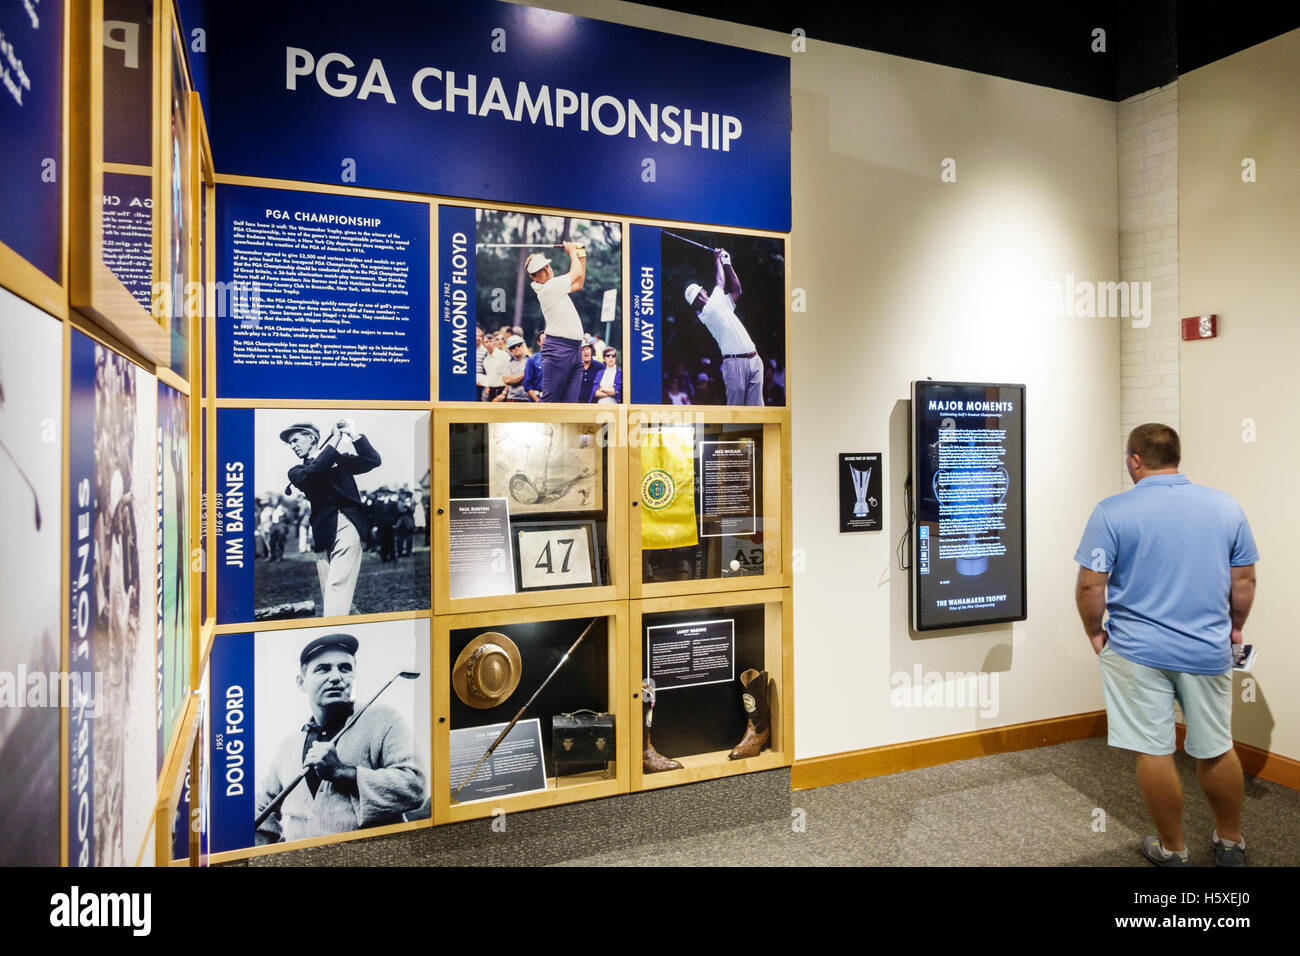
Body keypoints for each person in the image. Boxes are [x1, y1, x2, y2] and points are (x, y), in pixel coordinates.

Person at [1074, 423, 1258, 867]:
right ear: (1177, 456)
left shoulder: (1111, 511)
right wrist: (1235, 628)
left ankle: (1173, 850)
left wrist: (1094, 632)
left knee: (1154, 748)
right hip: (1206, 649)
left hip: (1137, 652)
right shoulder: (1225, 506)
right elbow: (1245, 580)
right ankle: (1230, 843)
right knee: (1216, 744)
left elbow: (1089, 587)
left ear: (1134, 459)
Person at [254, 633, 426, 845]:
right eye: (323, 669)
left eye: (345, 668)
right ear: (301, 682)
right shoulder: (289, 745)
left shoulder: (384, 720)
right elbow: (262, 811)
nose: (336, 677)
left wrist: (342, 772)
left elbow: (415, 787)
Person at [281, 420, 381, 618]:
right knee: (331, 590)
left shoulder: (339, 460)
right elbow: (316, 470)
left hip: (349, 523)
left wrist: (354, 435)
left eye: (295, 440)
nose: (292, 446)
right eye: (290, 443)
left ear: (311, 438)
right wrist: (335, 439)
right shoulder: (296, 472)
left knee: (337, 586)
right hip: (322, 531)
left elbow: (372, 461)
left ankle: (332, 632)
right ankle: (356, 623)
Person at [684, 247, 764, 405]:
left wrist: (728, 264)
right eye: (702, 291)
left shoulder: (719, 305)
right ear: (699, 298)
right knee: (736, 412)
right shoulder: (709, 310)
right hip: (734, 364)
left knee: (757, 412)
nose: (705, 291)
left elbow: (737, 290)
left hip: (754, 358)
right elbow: (720, 282)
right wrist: (718, 260)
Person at [525, 241, 587, 402]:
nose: (547, 270)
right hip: (559, 349)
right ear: (534, 277)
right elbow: (576, 272)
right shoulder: (548, 288)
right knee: (549, 402)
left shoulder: (555, 287)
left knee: (570, 404)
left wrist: (582, 255)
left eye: (547, 266)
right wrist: (572, 251)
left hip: (575, 349)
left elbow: (579, 283)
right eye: (541, 270)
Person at [480, 331, 509, 402]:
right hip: (491, 391)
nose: (489, 344)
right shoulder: (485, 360)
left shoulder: (504, 356)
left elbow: (510, 375)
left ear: (494, 343)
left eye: (491, 341)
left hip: (503, 390)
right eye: (486, 342)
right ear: (483, 344)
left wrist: (504, 393)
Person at [503, 335, 530, 401]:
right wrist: (525, 375)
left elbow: (532, 380)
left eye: (518, 345)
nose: (516, 348)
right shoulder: (508, 363)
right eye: (513, 347)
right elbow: (507, 381)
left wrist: (514, 379)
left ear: (522, 346)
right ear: (510, 350)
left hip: (529, 398)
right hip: (513, 398)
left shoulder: (530, 361)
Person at [522, 331, 546, 402]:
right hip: (536, 398)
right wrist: (537, 401)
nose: (547, 342)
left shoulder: (557, 360)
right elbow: (527, 384)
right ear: (539, 342)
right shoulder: (532, 360)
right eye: (544, 340)